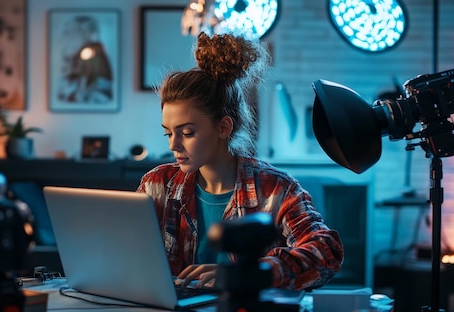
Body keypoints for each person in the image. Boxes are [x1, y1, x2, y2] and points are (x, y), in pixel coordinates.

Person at [137, 32, 344, 290]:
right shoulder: (157, 185)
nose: (173, 145)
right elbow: (126, 251)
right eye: (168, 132)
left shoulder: (275, 189)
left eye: (187, 133)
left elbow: (326, 252)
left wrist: (248, 273)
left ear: (223, 127)